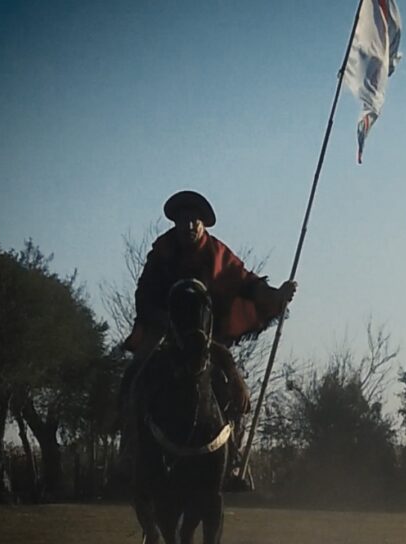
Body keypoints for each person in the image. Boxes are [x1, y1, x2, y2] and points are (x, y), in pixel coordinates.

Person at [119, 190, 296, 487]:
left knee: (232, 386)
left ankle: (231, 456)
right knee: (135, 374)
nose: (188, 226)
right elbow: (145, 293)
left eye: (194, 221)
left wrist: (278, 295)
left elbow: (248, 284)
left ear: (203, 224)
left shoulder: (218, 254)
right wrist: (162, 321)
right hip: (164, 332)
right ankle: (128, 450)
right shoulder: (161, 253)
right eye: (183, 220)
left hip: (205, 336)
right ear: (175, 223)